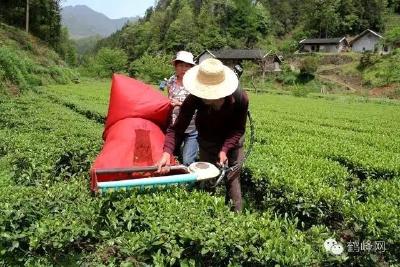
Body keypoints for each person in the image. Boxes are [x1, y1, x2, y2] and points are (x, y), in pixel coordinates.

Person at [157, 58, 249, 212]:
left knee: (232, 179)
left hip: (233, 140)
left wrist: (224, 150)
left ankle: (236, 216)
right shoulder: (194, 98)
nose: (206, 97)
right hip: (207, 138)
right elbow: (177, 128)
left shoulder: (240, 98)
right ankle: (206, 212)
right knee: (206, 176)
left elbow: (238, 129)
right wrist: (167, 152)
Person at [166, 51, 198, 165]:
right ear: (175, 66)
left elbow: (199, 105)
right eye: (180, 65)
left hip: (192, 128)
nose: (183, 68)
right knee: (172, 156)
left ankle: (191, 180)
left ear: (191, 68)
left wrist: (179, 104)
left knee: (188, 161)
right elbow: (169, 96)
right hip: (175, 126)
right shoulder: (171, 81)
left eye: (187, 66)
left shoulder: (196, 84)